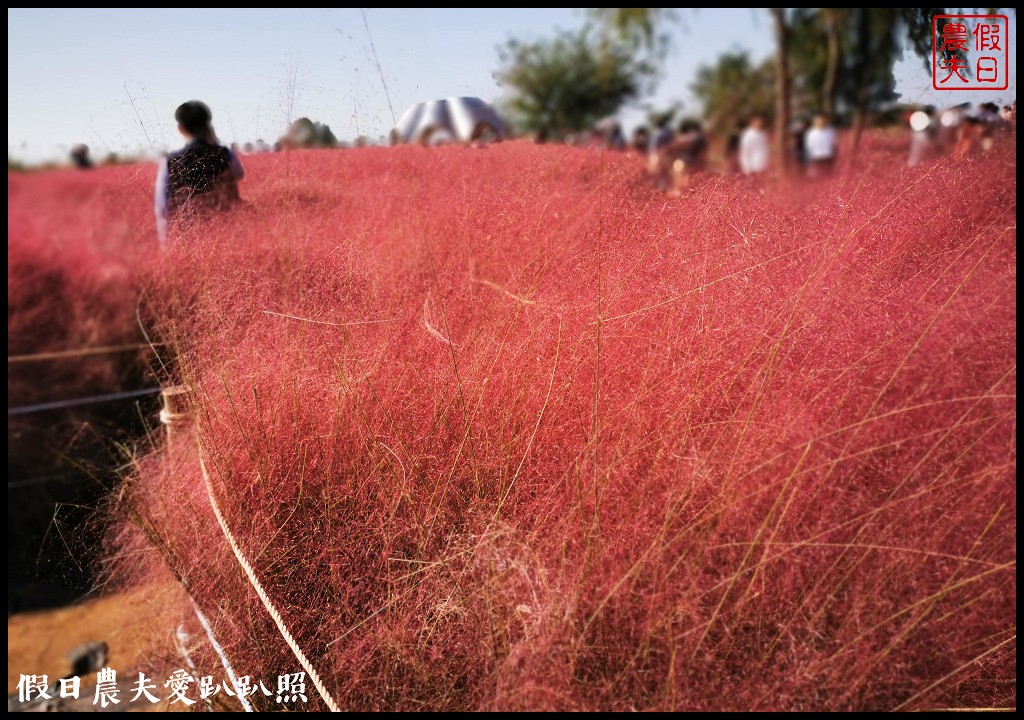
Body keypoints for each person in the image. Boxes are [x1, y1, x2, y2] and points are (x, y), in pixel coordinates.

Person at [154, 100, 246, 247]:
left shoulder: (169, 161)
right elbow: (240, 175)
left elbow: (162, 208)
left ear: (181, 128)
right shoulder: (225, 153)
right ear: (207, 125)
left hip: (191, 241)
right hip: (228, 235)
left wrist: (165, 246)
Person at [804, 113, 838, 178]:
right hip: (816, 157)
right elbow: (809, 146)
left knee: (828, 175)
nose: (820, 122)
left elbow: (834, 144)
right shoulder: (811, 133)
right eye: (818, 121)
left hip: (828, 156)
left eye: (822, 121)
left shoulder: (830, 131)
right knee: (818, 176)